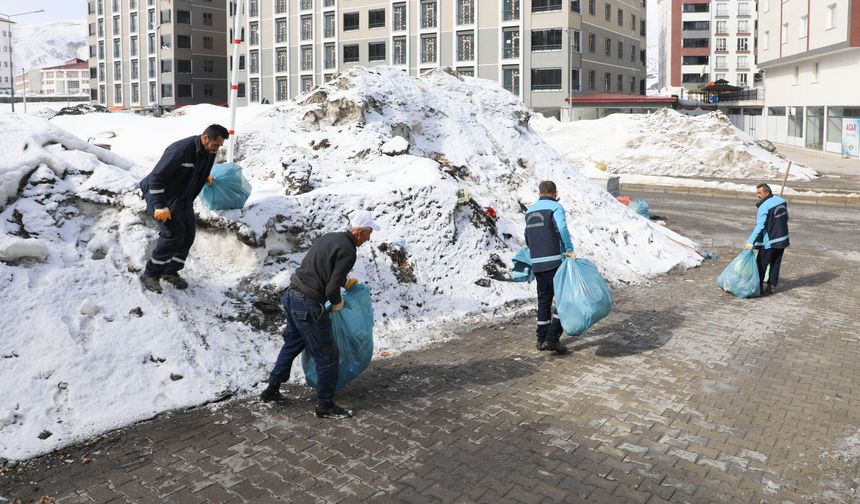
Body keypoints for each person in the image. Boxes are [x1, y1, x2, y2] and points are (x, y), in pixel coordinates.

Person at [261, 210, 381, 419]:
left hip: (291, 296)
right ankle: (324, 404)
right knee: (328, 355)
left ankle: (271, 390)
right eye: (369, 232)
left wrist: (345, 281)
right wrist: (337, 303)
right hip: (308, 305)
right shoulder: (349, 250)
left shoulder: (331, 238)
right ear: (360, 232)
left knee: (292, 345)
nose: (370, 237)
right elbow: (331, 288)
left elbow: (322, 269)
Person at [138, 124, 229, 293]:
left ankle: (170, 271)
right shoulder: (180, 150)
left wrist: (204, 176)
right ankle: (150, 274)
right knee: (173, 235)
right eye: (216, 145)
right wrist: (159, 206)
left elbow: (199, 168)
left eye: (220, 146)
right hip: (163, 195)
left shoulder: (209, 152)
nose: (217, 149)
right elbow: (156, 178)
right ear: (204, 138)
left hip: (182, 197)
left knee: (188, 234)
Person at [525, 181, 576, 354]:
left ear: (540, 192)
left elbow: (527, 236)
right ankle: (552, 339)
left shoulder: (530, 211)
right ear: (555, 193)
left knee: (544, 300)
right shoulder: (555, 207)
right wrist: (569, 249)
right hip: (555, 261)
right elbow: (561, 227)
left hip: (537, 263)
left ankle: (541, 339)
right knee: (564, 299)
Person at [745, 183, 789, 295]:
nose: (757, 195)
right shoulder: (781, 201)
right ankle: (772, 286)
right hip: (782, 239)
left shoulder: (764, 206)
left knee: (761, 265)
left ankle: (757, 288)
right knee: (775, 263)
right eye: (757, 193)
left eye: (759, 193)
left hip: (769, 241)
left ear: (767, 192)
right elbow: (787, 217)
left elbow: (759, 226)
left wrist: (750, 241)